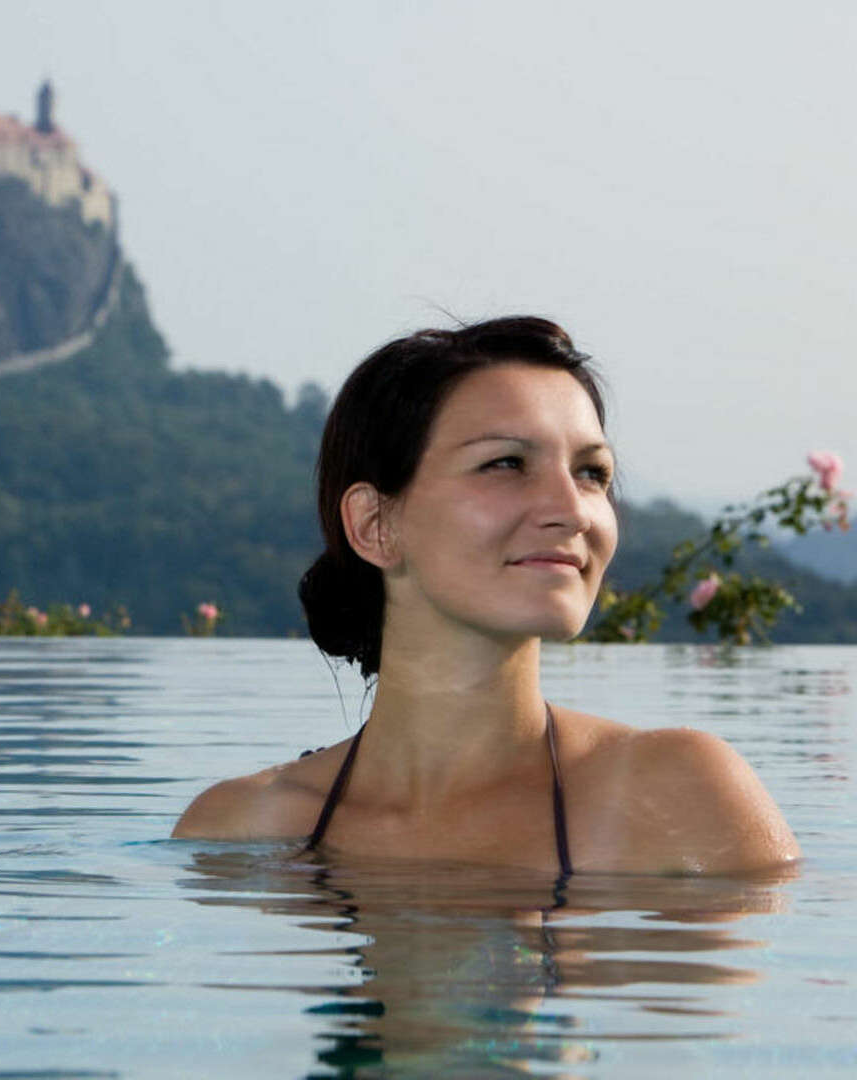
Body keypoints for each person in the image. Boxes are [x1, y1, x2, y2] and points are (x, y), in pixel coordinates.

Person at [173, 316, 798, 875]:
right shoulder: (243, 832)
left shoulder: (678, 798)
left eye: (592, 473)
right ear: (374, 525)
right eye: (505, 463)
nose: (570, 511)